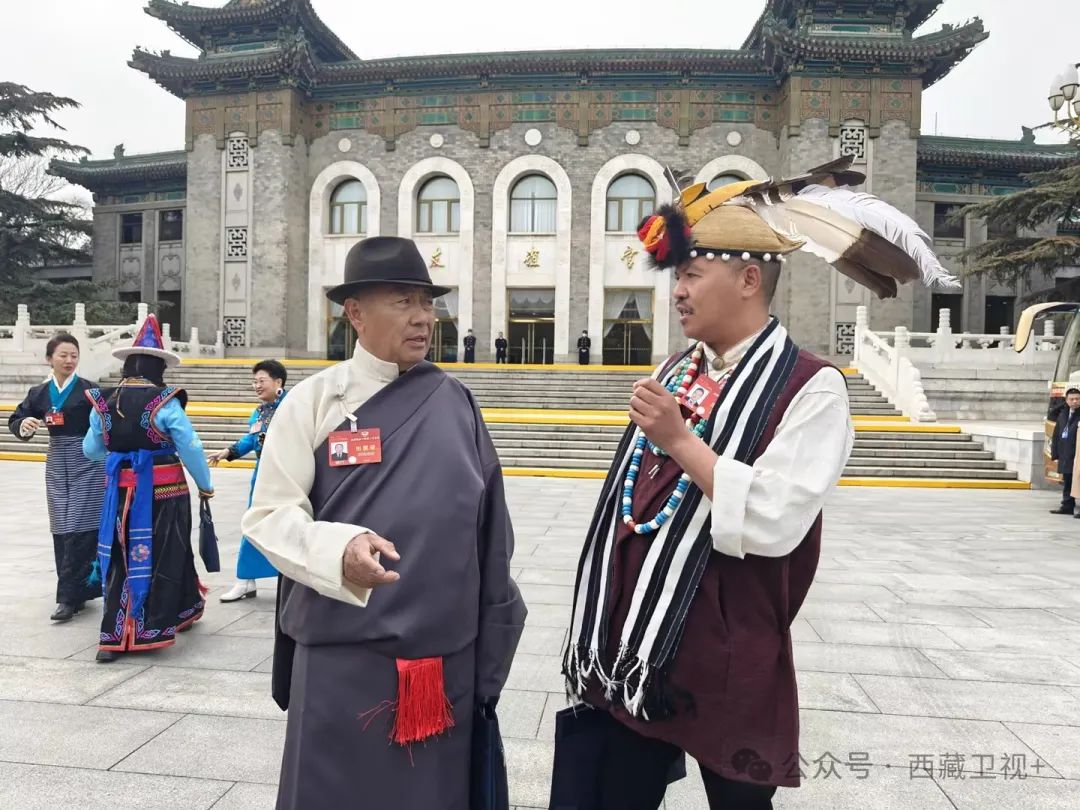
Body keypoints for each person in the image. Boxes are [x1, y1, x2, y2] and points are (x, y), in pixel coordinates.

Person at [561, 158, 953, 808]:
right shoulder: (678, 370)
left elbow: (774, 518)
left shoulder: (812, 387)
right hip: (638, 650)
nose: (677, 291)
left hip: (730, 653)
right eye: (677, 276)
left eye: (692, 274)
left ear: (748, 279)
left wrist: (680, 441)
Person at [242, 236, 526, 810]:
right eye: (402, 301)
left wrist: (492, 640)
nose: (423, 318)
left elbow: (491, 531)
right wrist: (337, 550)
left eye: (427, 302)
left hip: (442, 663)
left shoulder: (456, 402)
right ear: (354, 312)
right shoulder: (314, 402)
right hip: (343, 656)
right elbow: (269, 515)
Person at [83, 314, 214, 663]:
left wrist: (121, 455)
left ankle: (115, 634)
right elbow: (190, 446)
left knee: (119, 555)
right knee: (166, 552)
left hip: (119, 491)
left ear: (128, 365)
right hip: (164, 491)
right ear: (158, 368)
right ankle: (153, 625)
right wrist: (205, 485)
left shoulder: (103, 401)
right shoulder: (165, 400)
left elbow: (91, 450)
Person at [8, 333, 105, 622]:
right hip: (56, 462)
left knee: (79, 524)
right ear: (49, 358)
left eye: (74, 355)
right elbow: (16, 419)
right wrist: (24, 424)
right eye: (63, 355)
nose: (69, 360)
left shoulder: (90, 390)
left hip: (88, 461)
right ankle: (79, 591)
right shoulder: (38, 393)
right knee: (61, 526)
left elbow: (108, 422)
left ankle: (66, 598)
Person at [207, 359, 288, 602]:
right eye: (254, 382)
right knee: (254, 523)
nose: (256, 386)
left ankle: (296, 583)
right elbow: (251, 439)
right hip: (263, 474)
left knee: (291, 525)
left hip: (289, 473)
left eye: (261, 381)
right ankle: (245, 581)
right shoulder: (260, 411)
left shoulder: (293, 406)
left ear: (278, 382)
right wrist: (229, 452)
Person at [1050, 387, 1080, 515]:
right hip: (1066, 453)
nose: (1075, 401)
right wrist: (1055, 453)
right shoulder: (1063, 414)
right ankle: (1067, 505)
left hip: (1077, 453)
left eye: (1077, 399)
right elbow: (1056, 434)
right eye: (1071, 399)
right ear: (1066, 400)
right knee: (1068, 480)